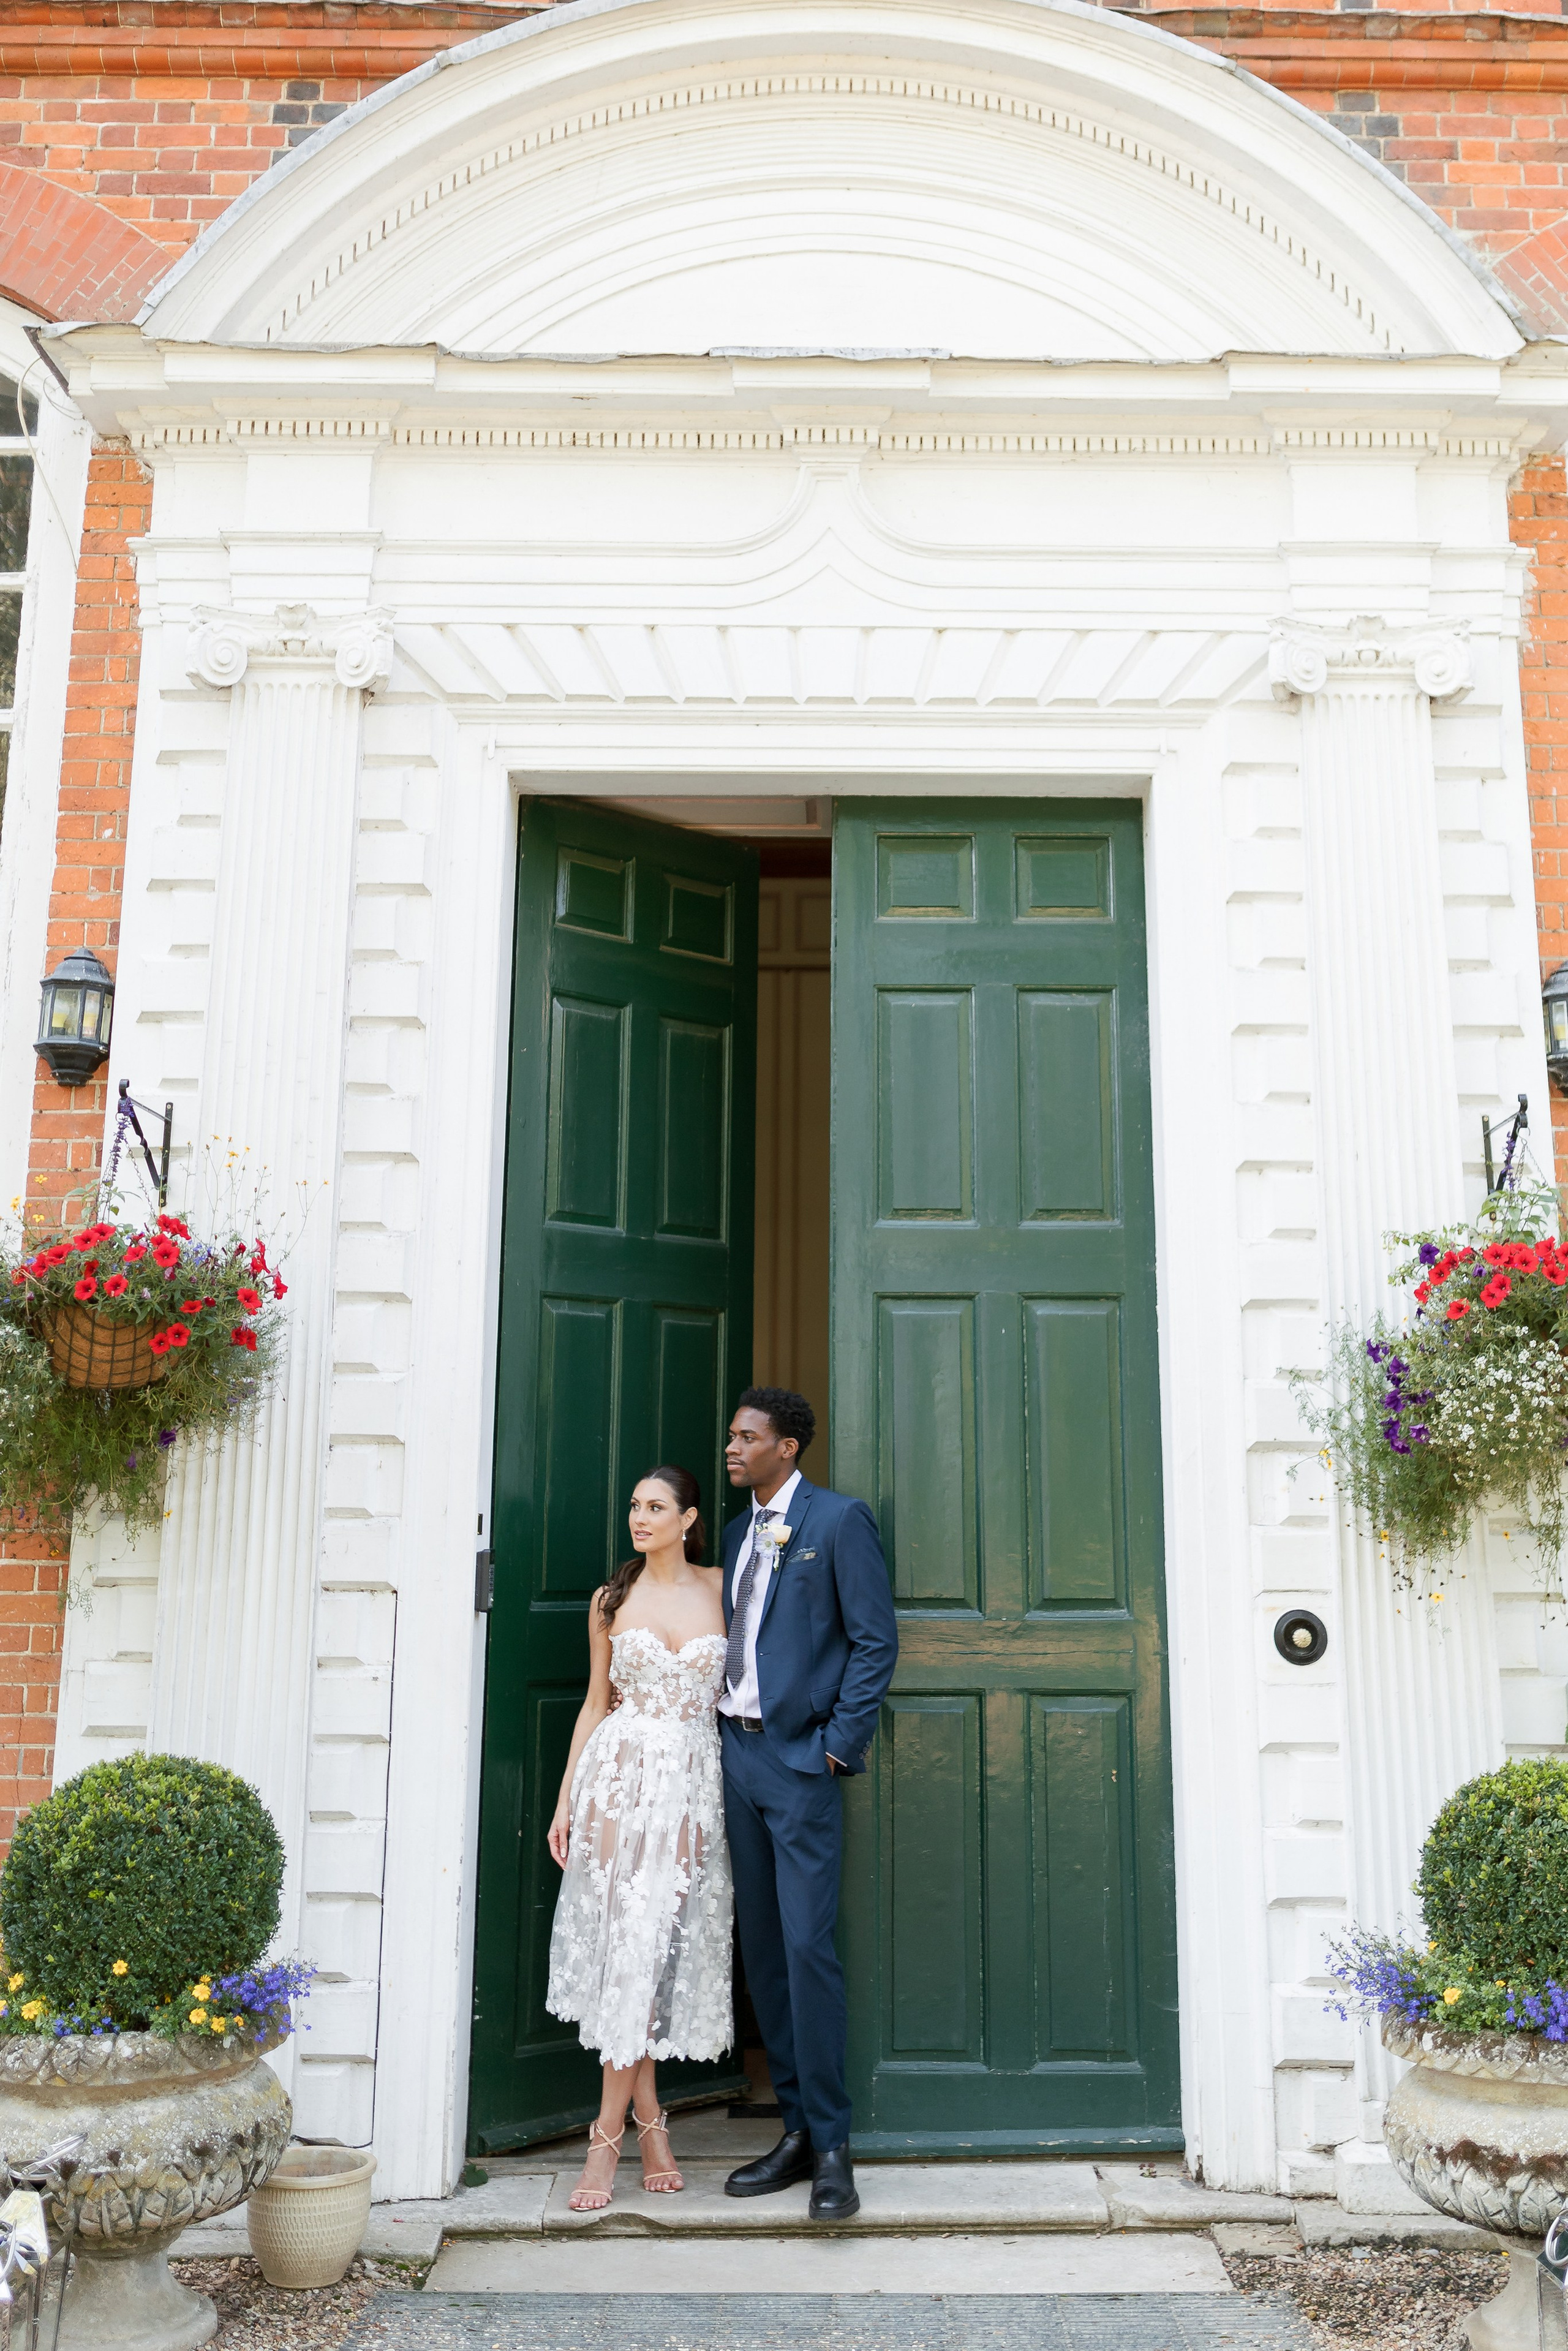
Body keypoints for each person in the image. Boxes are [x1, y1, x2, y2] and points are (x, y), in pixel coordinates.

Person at [717, 1387, 899, 2220]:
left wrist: (835, 1744)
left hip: (800, 1763)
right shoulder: (734, 1531)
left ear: (787, 1447)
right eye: (732, 1436)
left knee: (806, 1948)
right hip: (737, 1755)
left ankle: (832, 2146)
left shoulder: (837, 1521)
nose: (734, 1447)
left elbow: (874, 1639)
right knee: (762, 1952)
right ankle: (792, 2128)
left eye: (748, 1436)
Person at [545, 1465, 733, 2211]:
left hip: (693, 1782)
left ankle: (647, 2121)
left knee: (652, 1951)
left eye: (656, 1507)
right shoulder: (609, 1599)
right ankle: (613, 2135)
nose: (640, 1517)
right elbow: (595, 1704)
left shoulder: (723, 1587)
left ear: (688, 1518)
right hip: (619, 1780)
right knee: (630, 1948)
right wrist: (566, 1800)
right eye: (634, 1506)